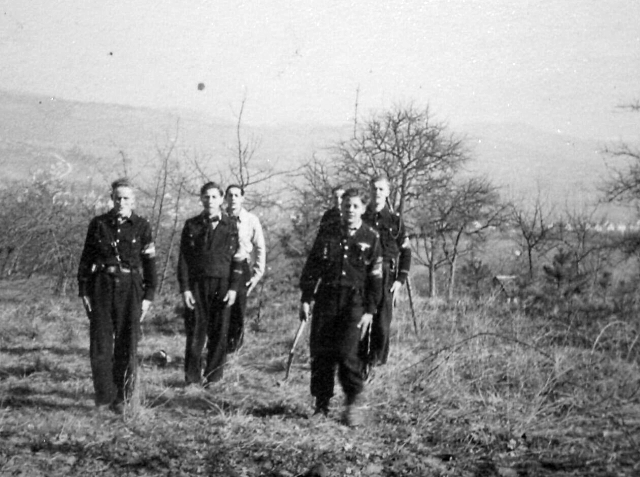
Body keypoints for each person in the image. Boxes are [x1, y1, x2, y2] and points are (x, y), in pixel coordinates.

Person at [299, 188, 383, 426]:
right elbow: (312, 267)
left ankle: (353, 403)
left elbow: (376, 277)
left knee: (347, 354)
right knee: (322, 352)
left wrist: (370, 310)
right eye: (347, 205)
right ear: (341, 207)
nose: (350, 210)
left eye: (355, 206)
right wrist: (306, 297)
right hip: (326, 298)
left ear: (363, 209)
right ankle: (321, 404)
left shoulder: (371, 237)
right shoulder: (327, 234)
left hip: (354, 302)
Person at [77, 178, 157, 414]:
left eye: (126, 198)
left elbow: (150, 264)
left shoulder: (142, 226)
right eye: (117, 197)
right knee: (100, 344)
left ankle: (122, 397)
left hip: (130, 287)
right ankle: (104, 396)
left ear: (133, 201)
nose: (121, 202)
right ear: (111, 198)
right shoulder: (98, 224)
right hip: (101, 285)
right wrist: (84, 290)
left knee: (126, 343)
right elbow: (86, 259)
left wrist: (148, 296)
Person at [178, 182, 243, 385]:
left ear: (222, 199)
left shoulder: (231, 225)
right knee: (196, 331)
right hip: (198, 285)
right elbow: (184, 259)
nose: (210, 201)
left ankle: (214, 377)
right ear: (201, 199)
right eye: (206, 197)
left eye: (214, 197)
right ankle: (192, 379)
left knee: (220, 331)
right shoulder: (192, 225)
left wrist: (233, 288)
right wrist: (185, 288)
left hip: (222, 285)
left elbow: (237, 259)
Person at [362, 175, 411, 367]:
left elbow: (406, 252)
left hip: (387, 278)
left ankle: (376, 362)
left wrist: (400, 280)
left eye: (381, 189)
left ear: (388, 192)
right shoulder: (362, 217)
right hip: (364, 276)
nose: (377, 192)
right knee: (362, 317)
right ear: (369, 190)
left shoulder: (395, 222)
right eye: (374, 188)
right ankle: (359, 361)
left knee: (382, 324)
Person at [224, 184, 266, 352]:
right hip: (223, 268)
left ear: (242, 198)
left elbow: (260, 247)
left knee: (238, 311)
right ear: (225, 198)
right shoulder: (220, 217)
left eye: (236, 195)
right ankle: (219, 348)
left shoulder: (251, 220)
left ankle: (235, 350)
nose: (233, 198)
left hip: (242, 269)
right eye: (230, 195)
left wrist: (257, 275)